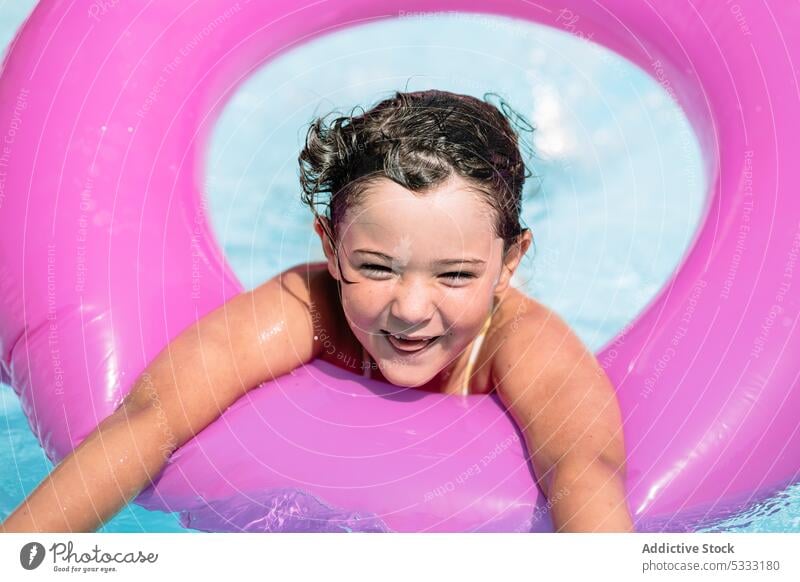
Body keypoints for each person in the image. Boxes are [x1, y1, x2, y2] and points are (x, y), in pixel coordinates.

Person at [1, 89, 633, 533]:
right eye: (377, 267)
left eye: (457, 275)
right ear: (330, 248)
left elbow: (584, 468)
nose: (411, 309)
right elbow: (154, 415)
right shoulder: (308, 308)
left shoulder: (520, 343)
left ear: (511, 261)